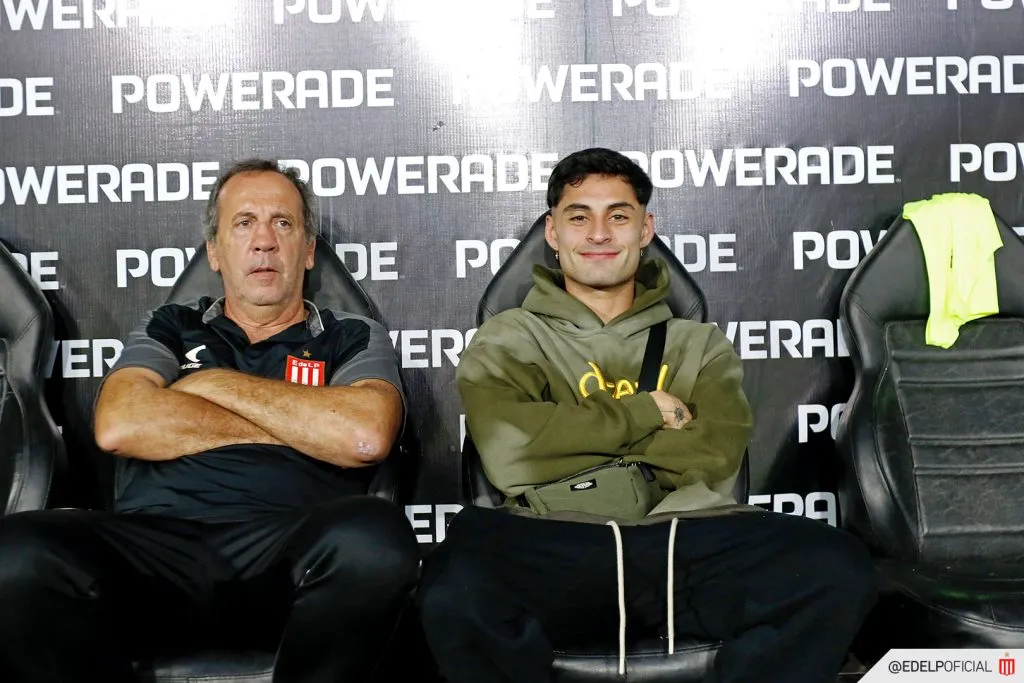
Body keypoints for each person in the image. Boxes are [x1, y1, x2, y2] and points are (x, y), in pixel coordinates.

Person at [417, 148, 877, 683]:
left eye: (618, 215)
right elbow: (512, 452)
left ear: (645, 228)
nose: (598, 233)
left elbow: (712, 454)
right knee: (454, 588)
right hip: (553, 544)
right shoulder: (509, 337)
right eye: (578, 216)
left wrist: (566, 439)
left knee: (835, 568)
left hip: (684, 543)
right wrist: (645, 413)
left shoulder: (698, 345)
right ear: (553, 232)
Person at [0, 159, 420, 683]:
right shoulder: (170, 325)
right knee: (14, 553)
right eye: (243, 223)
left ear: (308, 249)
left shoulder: (350, 335)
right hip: (154, 548)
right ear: (215, 253)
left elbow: (363, 435)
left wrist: (208, 384)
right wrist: (301, 424)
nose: (264, 241)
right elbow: (120, 424)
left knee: (374, 540)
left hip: (287, 551)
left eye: (283, 223)